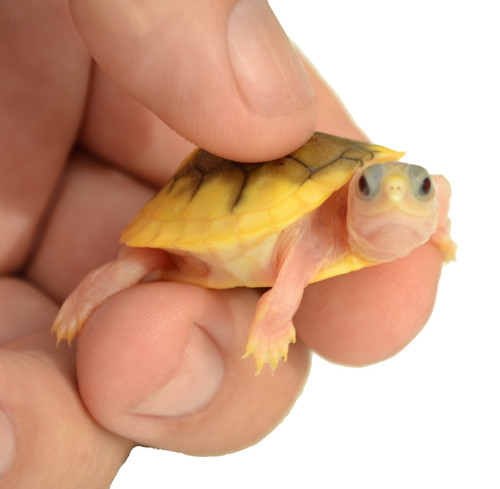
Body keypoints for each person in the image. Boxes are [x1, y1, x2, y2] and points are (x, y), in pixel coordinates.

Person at [0, 1, 445, 486]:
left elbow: (438, 188)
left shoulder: (402, 208)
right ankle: (83, 297)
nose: (396, 199)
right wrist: (273, 324)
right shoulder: (319, 237)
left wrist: (438, 226)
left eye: (420, 190)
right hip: (210, 219)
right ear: (354, 193)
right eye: (369, 187)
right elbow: (289, 281)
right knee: (136, 264)